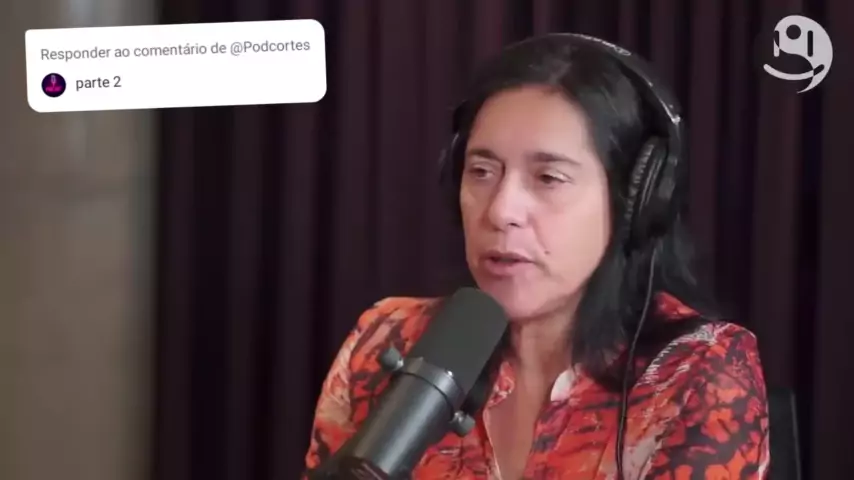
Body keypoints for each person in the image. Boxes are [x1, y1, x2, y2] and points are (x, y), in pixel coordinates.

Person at [304, 33, 770, 479]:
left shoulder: (698, 371)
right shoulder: (387, 340)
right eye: (482, 171)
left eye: (549, 178)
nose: (501, 211)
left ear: (634, 202)